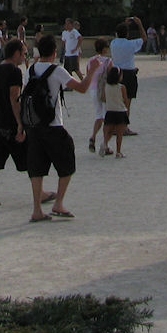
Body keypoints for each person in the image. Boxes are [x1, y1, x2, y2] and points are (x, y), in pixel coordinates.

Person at [22, 33, 95, 222]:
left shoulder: (30, 70)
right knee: (67, 164)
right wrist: (92, 71)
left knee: (36, 169)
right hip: (53, 125)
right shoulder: (57, 71)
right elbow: (82, 88)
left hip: (34, 126)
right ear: (54, 52)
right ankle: (59, 203)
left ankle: (37, 209)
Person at [0, 39, 52, 209]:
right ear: (16, 53)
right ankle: (40, 193)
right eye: (24, 53)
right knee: (31, 159)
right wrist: (20, 123)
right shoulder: (14, 71)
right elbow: (15, 98)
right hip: (11, 124)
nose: (25, 57)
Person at [108, 18, 146, 135]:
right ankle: (124, 127)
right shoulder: (130, 44)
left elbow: (119, 33)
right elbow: (144, 38)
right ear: (128, 33)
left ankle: (115, 127)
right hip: (129, 74)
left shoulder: (113, 43)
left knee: (116, 102)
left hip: (116, 73)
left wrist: (124, 24)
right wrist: (139, 24)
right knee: (127, 102)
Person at [85, 38, 111, 153]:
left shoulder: (90, 61)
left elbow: (88, 75)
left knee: (98, 115)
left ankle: (93, 136)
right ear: (104, 49)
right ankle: (105, 144)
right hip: (104, 90)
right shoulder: (108, 61)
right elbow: (111, 77)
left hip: (93, 89)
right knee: (106, 117)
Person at [100, 65, 131, 157]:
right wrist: (127, 110)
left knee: (108, 131)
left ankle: (105, 144)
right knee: (119, 134)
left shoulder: (106, 86)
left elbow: (103, 98)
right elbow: (126, 100)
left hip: (110, 111)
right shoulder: (122, 87)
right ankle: (118, 151)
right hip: (120, 111)